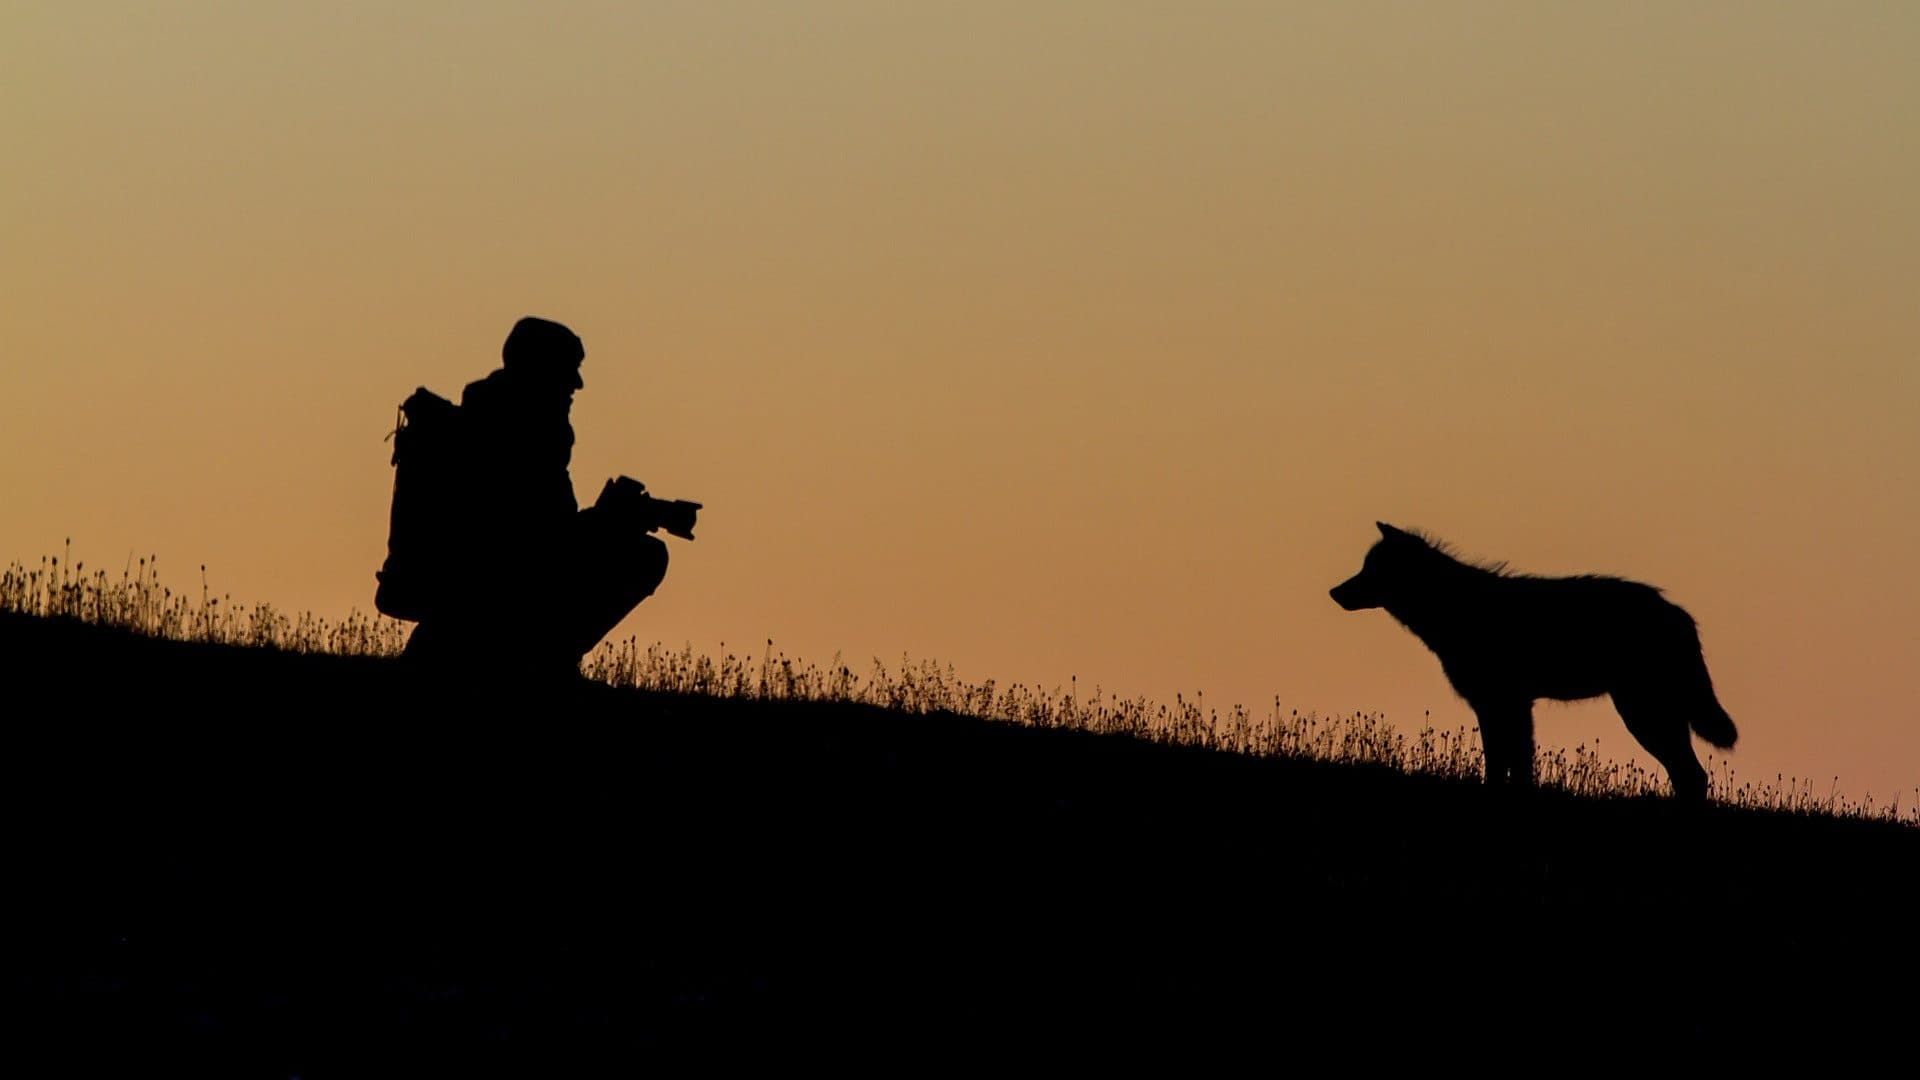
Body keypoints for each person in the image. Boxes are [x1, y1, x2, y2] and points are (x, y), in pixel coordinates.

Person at [391, 317, 686, 680]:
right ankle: (545, 665)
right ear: (540, 371)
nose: (576, 385)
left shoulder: (498, 421)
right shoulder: (515, 431)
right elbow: (535, 541)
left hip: (478, 580)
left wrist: (617, 515)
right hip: (489, 584)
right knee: (645, 556)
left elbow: (542, 532)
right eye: (568, 371)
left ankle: (513, 657)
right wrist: (613, 517)